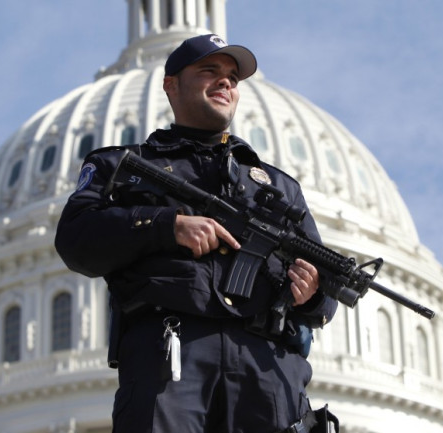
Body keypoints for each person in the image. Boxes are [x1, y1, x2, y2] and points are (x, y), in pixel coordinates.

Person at [55, 34, 338, 433]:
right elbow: (75, 240)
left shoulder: (278, 187)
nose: (225, 83)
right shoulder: (121, 166)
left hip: (266, 365)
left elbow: (323, 292)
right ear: (171, 84)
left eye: (232, 78)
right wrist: (166, 227)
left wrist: (313, 292)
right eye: (209, 71)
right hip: (171, 355)